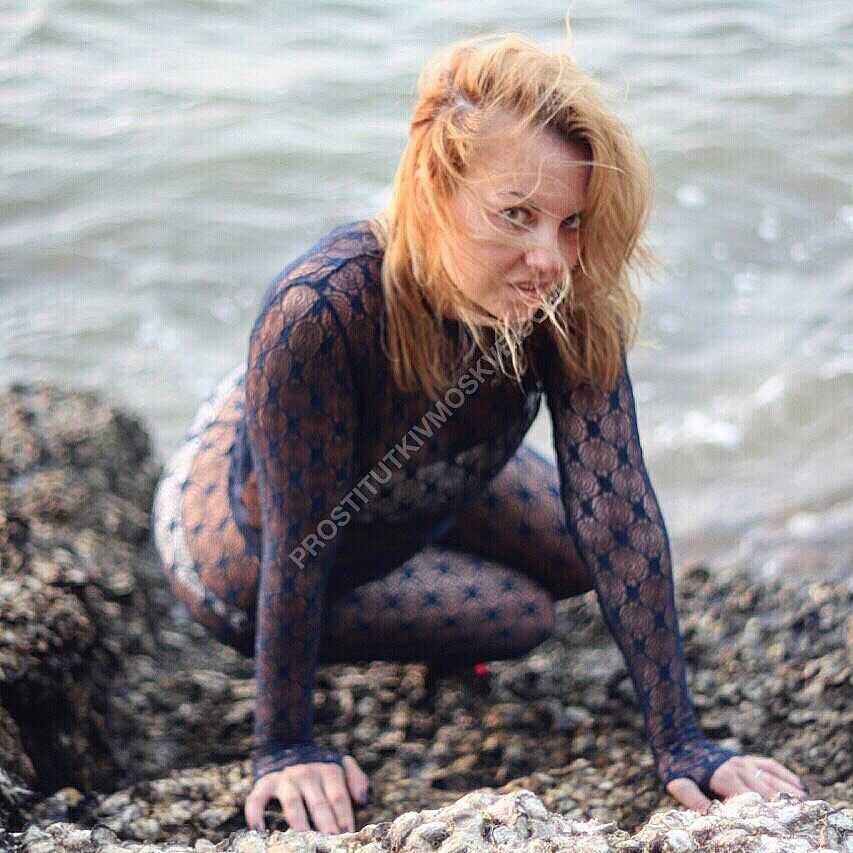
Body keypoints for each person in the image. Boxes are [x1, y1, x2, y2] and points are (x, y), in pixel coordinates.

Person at [152, 28, 806, 837]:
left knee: (579, 558)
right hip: (246, 534)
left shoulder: (561, 296)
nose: (549, 257)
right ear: (435, 189)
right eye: (516, 215)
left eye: (569, 222)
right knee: (517, 617)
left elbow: (615, 512)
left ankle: (409, 518)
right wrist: (284, 743)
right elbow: (297, 544)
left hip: (412, 461)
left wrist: (682, 742)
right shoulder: (321, 311)